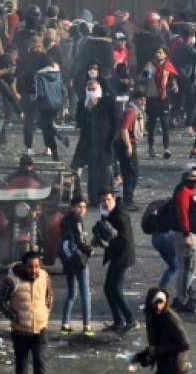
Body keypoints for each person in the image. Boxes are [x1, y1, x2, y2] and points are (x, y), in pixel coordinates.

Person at [0, 251, 52, 374]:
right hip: (20, 331)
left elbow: (49, 296)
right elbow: (0, 302)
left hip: (40, 329)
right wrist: (15, 316)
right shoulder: (11, 281)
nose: (34, 270)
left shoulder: (44, 277)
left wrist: (45, 313)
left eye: (36, 266)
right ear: (23, 266)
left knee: (40, 366)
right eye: (30, 267)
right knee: (22, 367)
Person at [94, 189, 136, 333]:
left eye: (108, 200)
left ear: (114, 198)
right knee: (109, 289)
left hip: (123, 255)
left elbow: (123, 239)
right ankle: (118, 321)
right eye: (103, 200)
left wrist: (106, 243)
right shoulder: (107, 212)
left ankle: (131, 320)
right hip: (116, 254)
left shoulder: (119, 214)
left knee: (116, 289)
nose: (105, 203)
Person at [58, 196, 94, 336]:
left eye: (84, 207)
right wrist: (88, 250)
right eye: (79, 206)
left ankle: (65, 324)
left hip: (68, 261)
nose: (82, 210)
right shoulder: (77, 219)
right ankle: (87, 326)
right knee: (85, 294)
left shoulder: (64, 220)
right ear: (72, 207)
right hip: (79, 261)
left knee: (71, 294)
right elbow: (79, 240)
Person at [169, 164, 196, 312]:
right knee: (187, 267)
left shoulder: (189, 190)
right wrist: (186, 234)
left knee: (190, 266)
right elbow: (182, 214)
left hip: (188, 232)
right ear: (184, 176)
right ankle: (181, 299)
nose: (195, 179)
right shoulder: (183, 191)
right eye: (192, 176)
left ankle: (184, 295)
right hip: (184, 234)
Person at [115, 92, 146, 209]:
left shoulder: (135, 111)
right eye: (141, 99)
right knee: (132, 171)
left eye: (144, 100)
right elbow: (124, 129)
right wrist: (128, 146)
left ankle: (128, 199)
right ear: (134, 100)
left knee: (130, 171)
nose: (143, 102)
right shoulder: (131, 111)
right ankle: (128, 200)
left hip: (127, 142)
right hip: (124, 143)